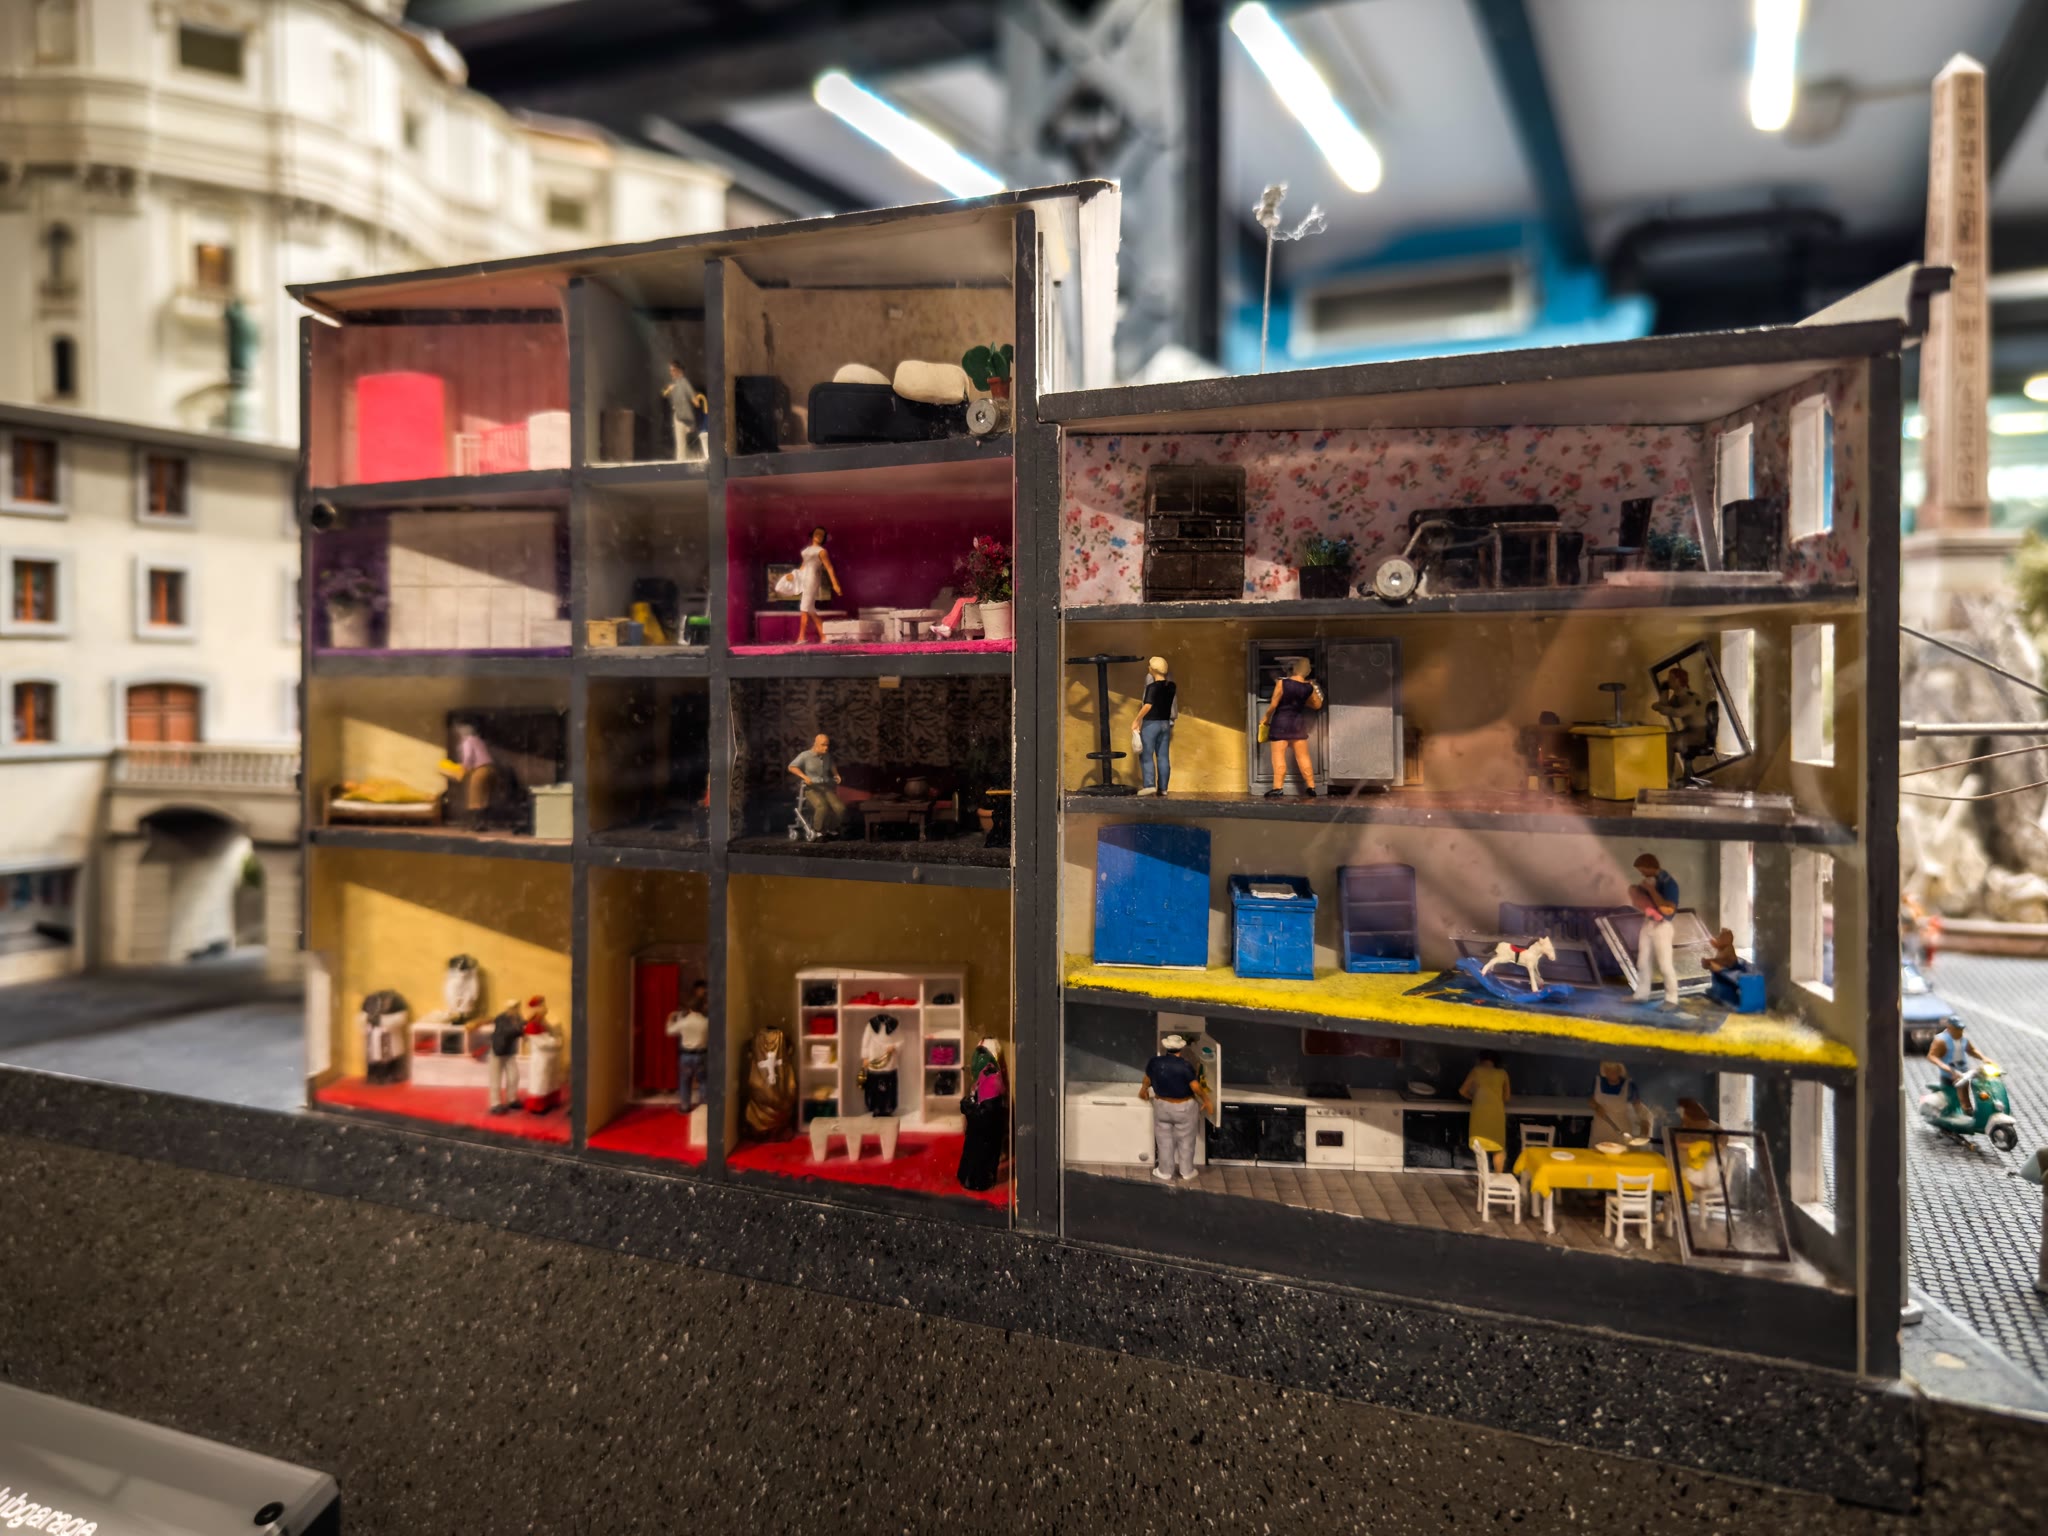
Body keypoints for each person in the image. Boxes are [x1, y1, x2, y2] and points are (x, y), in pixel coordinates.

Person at [1139, 1032, 1212, 1182]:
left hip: (1162, 1105)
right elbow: (1195, 1087)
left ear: (1166, 1047)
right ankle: (1187, 1171)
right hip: (1183, 1106)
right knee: (1186, 1140)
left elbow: (1147, 1079)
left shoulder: (1155, 1062)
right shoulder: (1185, 1065)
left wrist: (1143, 1090)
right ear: (1181, 1049)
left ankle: (1164, 1172)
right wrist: (1207, 1100)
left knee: (1164, 1140)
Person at [1259, 656, 1323, 799]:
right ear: (1307, 671)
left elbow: (1274, 704)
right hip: (1298, 724)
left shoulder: (1282, 683)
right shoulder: (1308, 687)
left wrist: (1266, 718)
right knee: (1303, 757)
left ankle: (1277, 788)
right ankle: (1311, 787)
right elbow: (1317, 705)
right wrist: (1302, 701)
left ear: (1294, 668)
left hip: (1280, 723)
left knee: (1278, 757)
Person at [1627, 852, 1681, 1007]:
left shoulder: (1669, 883)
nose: (1642, 873)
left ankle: (1671, 998)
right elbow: (1641, 900)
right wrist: (1638, 892)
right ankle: (1641, 994)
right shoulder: (1651, 881)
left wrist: (1651, 890)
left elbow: (1668, 909)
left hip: (1663, 925)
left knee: (1665, 965)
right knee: (1642, 962)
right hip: (1649, 923)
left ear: (1649, 867)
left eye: (1642, 869)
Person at [956, 1037, 1008, 1192]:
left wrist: (972, 1108)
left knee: (980, 1152)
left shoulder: (992, 1077)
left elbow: (988, 1108)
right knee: (975, 1150)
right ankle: (971, 1178)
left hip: (985, 1120)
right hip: (982, 1119)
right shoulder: (986, 1075)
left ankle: (976, 1180)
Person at [1650, 664, 1711, 779]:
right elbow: (1665, 706)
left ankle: (1669, 778)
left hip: (1699, 734)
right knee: (1663, 738)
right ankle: (1665, 776)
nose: (1668, 681)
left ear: (1678, 680)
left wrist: (1660, 707)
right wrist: (1664, 690)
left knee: (1668, 742)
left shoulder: (1691, 697)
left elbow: (1678, 713)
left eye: (1671, 679)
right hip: (1688, 731)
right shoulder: (1677, 697)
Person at [1131, 655, 1178, 797]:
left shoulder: (1152, 687)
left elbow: (1148, 705)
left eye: (1150, 666)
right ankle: (1163, 788)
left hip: (1151, 723)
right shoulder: (1171, 687)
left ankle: (1149, 785)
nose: (1148, 668)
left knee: (1146, 754)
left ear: (1153, 669)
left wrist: (1137, 720)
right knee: (1163, 756)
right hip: (1165, 724)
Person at [788, 732, 847, 839]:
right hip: (811, 789)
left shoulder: (827, 756)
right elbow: (792, 767)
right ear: (816, 744)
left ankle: (831, 828)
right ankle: (818, 831)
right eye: (823, 745)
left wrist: (836, 774)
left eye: (827, 745)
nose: (826, 748)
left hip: (825, 787)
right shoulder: (805, 756)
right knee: (822, 806)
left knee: (840, 808)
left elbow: (832, 764)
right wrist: (804, 777)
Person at [1928, 1016, 1991, 1115]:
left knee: (1967, 1089)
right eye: (1957, 1029)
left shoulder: (1963, 1038)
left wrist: (1983, 1058)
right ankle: (1953, 1111)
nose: (1960, 1032)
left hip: (1963, 1070)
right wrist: (1944, 1067)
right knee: (1954, 1092)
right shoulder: (1941, 1040)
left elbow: (1972, 1050)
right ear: (1950, 1028)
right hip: (1949, 1073)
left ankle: (1967, 1109)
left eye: (1961, 1029)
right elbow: (1932, 1056)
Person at [1459, 1053, 1511, 1170]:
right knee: (1498, 1148)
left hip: (1479, 1113)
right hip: (1496, 1113)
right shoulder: (1502, 1073)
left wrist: (1473, 1098)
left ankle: (1483, 1176)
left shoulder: (1476, 1071)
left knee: (1480, 1147)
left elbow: (1462, 1091)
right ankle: (1498, 1175)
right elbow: (1507, 1097)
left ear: (1481, 1060)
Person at [442, 721, 497, 830]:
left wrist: (461, 771)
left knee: (474, 798)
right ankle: (484, 823)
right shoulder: (478, 740)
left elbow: (468, 757)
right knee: (484, 799)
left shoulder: (467, 741)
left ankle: (475, 824)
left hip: (480, 769)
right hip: (490, 768)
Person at [667, 979, 709, 1115]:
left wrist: (670, 1018)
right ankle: (704, 1106)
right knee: (704, 1081)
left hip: (686, 1055)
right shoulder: (706, 1022)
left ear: (689, 1009)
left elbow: (669, 1031)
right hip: (702, 1054)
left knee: (685, 1082)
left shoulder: (684, 1022)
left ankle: (685, 1106)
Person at [795, 526, 841, 645]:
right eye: (817, 533)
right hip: (805, 578)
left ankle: (801, 638)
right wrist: (796, 577)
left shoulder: (821, 551)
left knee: (804, 608)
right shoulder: (807, 550)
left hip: (812, 579)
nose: (819, 536)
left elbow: (829, 568)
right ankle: (824, 637)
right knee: (810, 610)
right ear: (813, 534)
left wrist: (835, 584)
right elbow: (803, 565)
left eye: (821, 535)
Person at [1590, 1060, 1647, 1144]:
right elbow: (1591, 1100)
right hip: (1599, 1130)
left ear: (1620, 1070)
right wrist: (1596, 1106)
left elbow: (1638, 1107)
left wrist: (1644, 1122)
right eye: (1608, 1070)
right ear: (1604, 1070)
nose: (1612, 1073)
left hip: (1621, 1130)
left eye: (1615, 1070)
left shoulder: (1629, 1085)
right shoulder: (1598, 1081)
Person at [661, 359, 707, 462]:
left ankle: (685, 460)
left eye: (673, 370)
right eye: (671, 371)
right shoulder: (673, 385)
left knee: (684, 442)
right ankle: (685, 459)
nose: (671, 373)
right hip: (679, 416)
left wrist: (697, 398)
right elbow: (664, 394)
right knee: (681, 443)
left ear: (679, 371)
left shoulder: (684, 383)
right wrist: (669, 390)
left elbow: (694, 400)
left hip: (685, 417)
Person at [486, 1002, 525, 1115]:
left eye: (517, 1007)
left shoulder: (518, 1018)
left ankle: (512, 1099)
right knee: (495, 1079)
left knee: (514, 1076)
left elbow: (521, 1028)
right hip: (498, 1051)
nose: (515, 1009)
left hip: (509, 1052)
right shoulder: (501, 1018)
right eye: (513, 1008)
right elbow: (509, 1031)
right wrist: (521, 1029)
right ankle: (495, 1104)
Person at [859, 1013, 901, 1118]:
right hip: (874, 1060)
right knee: (874, 1087)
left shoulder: (895, 1025)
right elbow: (865, 1042)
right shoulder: (870, 1025)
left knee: (889, 1088)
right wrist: (865, 1057)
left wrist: (895, 1046)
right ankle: (875, 1107)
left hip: (890, 1061)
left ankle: (888, 1108)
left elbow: (901, 1040)